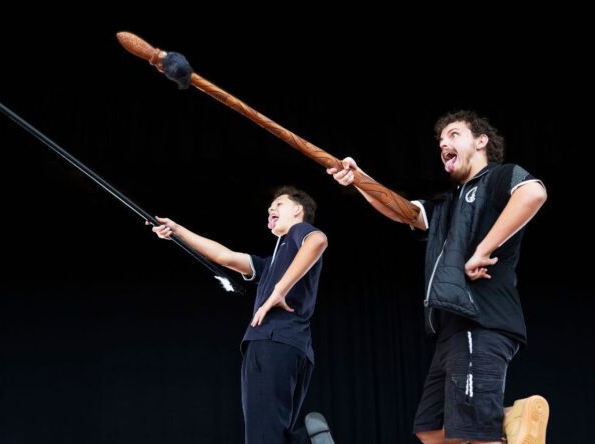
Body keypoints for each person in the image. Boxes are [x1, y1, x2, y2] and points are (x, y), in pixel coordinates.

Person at [327, 110, 549, 443]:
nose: (444, 143)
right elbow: (403, 210)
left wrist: (482, 250)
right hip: (451, 329)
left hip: (480, 319)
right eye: (440, 141)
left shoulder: (501, 177)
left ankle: (493, 422)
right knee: (431, 430)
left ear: (481, 141)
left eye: (454, 135)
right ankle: (505, 419)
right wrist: (358, 179)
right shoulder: (446, 205)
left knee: (475, 430)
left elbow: (533, 194)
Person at [150, 186, 328, 444]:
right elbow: (225, 256)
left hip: (270, 341)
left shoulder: (297, 232)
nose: (271, 209)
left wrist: (279, 291)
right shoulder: (271, 263)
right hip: (296, 348)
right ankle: (307, 440)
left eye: (279, 204)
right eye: (270, 207)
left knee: (263, 436)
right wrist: (177, 231)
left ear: (298, 210)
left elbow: (318, 241)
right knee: (277, 432)